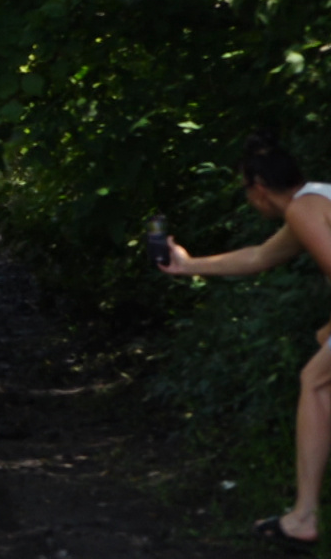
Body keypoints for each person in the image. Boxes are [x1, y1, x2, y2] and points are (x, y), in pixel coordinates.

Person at [159, 131, 331, 550]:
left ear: (257, 186)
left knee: (315, 381)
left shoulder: (305, 212)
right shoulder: (314, 201)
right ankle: (303, 514)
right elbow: (260, 256)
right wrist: (188, 265)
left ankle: (304, 517)